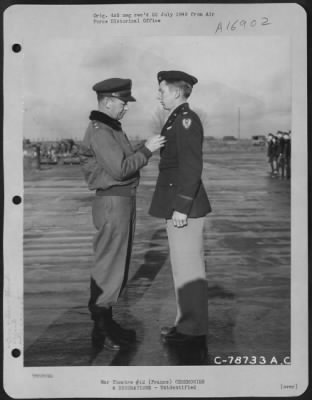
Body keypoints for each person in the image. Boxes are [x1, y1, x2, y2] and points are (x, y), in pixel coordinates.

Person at [80, 78, 165, 351]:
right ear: (106, 102)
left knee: (114, 264)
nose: (126, 107)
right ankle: (104, 322)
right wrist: (148, 150)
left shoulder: (110, 128)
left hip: (121, 202)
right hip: (113, 203)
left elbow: (122, 163)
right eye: (122, 102)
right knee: (110, 265)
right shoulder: (101, 131)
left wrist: (142, 149)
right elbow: (120, 169)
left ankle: (103, 324)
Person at [149, 70, 212, 347]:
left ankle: (193, 329)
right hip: (176, 205)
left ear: (176, 92)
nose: (158, 95)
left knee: (189, 270)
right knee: (182, 269)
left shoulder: (186, 120)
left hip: (184, 208)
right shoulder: (174, 120)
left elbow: (191, 166)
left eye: (162, 90)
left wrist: (182, 207)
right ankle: (185, 323)